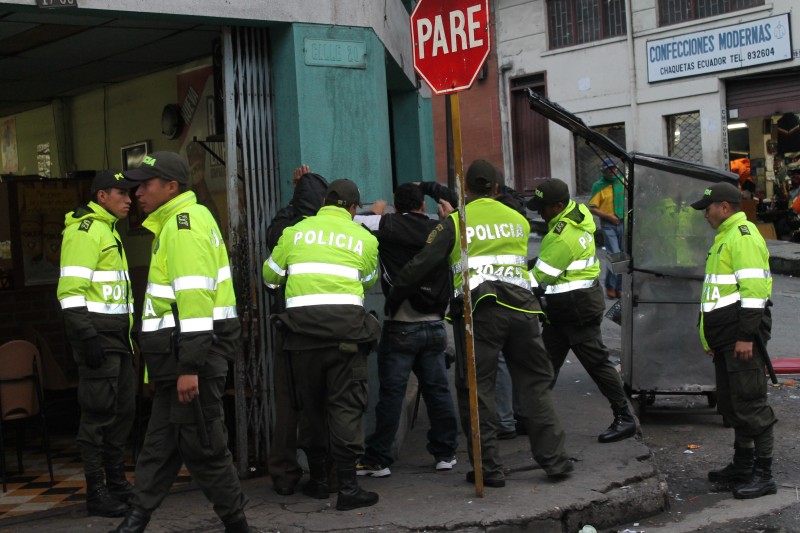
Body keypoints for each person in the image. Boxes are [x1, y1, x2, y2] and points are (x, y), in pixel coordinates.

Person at [387, 160, 573, 487]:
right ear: (497, 188)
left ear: (466, 189)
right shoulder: (518, 219)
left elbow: (421, 265)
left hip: (481, 312)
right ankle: (556, 462)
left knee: (477, 389)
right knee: (535, 387)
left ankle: (488, 470)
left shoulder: (456, 223)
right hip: (525, 310)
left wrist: (396, 294)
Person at [111, 152, 249, 533]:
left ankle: (237, 524)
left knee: (204, 447)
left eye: (145, 184)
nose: (137, 191)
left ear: (171, 187)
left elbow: (194, 302)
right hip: (177, 361)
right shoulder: (175, 223)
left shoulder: (183, 228)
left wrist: (189, 367)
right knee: (159, 446)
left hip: (191, 361)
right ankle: (135, 521)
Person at [262, 179, 382, 511]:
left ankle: (317, 482)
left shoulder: (295, 232)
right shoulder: (364, 238)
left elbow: (269, 277)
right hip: (346, 337)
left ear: (326, 201)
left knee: (311, 408)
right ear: (354, 208)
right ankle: (346, 487)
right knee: (345, 408)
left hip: (301, 339)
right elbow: (369, 280)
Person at [356, 182, 459, 478]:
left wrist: (375, 209)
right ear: (422, 206)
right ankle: (445, 453)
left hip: (401, 325)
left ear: (395, 206)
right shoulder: (440, 229)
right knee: (438, 390)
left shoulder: (387, 224)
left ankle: (378, 459)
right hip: (435, 325)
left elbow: (349, 219)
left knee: (391, 394)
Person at [528, 179, 636, 444]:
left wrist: (504, 279)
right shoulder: (571, 219)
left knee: (597, 364)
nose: (540, 213)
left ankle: (625, 417)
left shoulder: (565, 234)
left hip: (575, 310)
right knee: (544, 365)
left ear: (559, 205)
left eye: (543, 208)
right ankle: (529, 416)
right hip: (565, 309)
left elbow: (538, 278)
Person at [57, 170, 138, 518]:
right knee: (97, 416)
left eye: (131, 193)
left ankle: (117, 483)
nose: (129, 199)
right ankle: (97, 491)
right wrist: (87, 337)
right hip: (99, 338)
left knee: (122, 413)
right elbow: (70, 293)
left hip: (118, 339)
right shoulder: (85, 231)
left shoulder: (108, 230)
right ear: (101, 196)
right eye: (122, 193)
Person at [690, 182, 777, 500]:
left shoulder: (743, 237)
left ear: (724, 207)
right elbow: (717, 294)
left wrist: (744, 338)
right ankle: (743, 466)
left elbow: (754, 294)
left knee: (752, 406)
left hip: (742, 340)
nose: (705, 215)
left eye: (707, 208)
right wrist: (710, 336)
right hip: (726, 339)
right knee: (734, 405)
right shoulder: (725, 238)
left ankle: (763, 474)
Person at [265, 167, 329, 496]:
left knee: (288, 403)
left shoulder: (284, 229)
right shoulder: (329, 232)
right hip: (327, 330)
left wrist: (293, 199)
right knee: (322, 401)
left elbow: (269, 279)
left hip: (289, 328)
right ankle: (325, 473)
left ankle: (285, 474)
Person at [587, 158, 625, 299]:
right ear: (604, 170)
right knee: (615, 255)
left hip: (623, 223)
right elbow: (593, 208)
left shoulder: (622, 181)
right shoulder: (599, 185)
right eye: (609, 169)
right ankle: (611, 286)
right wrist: (609, 217)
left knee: (622, 256)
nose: (612, 171)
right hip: (609, 225)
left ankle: (618, 288)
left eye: (614, 168)